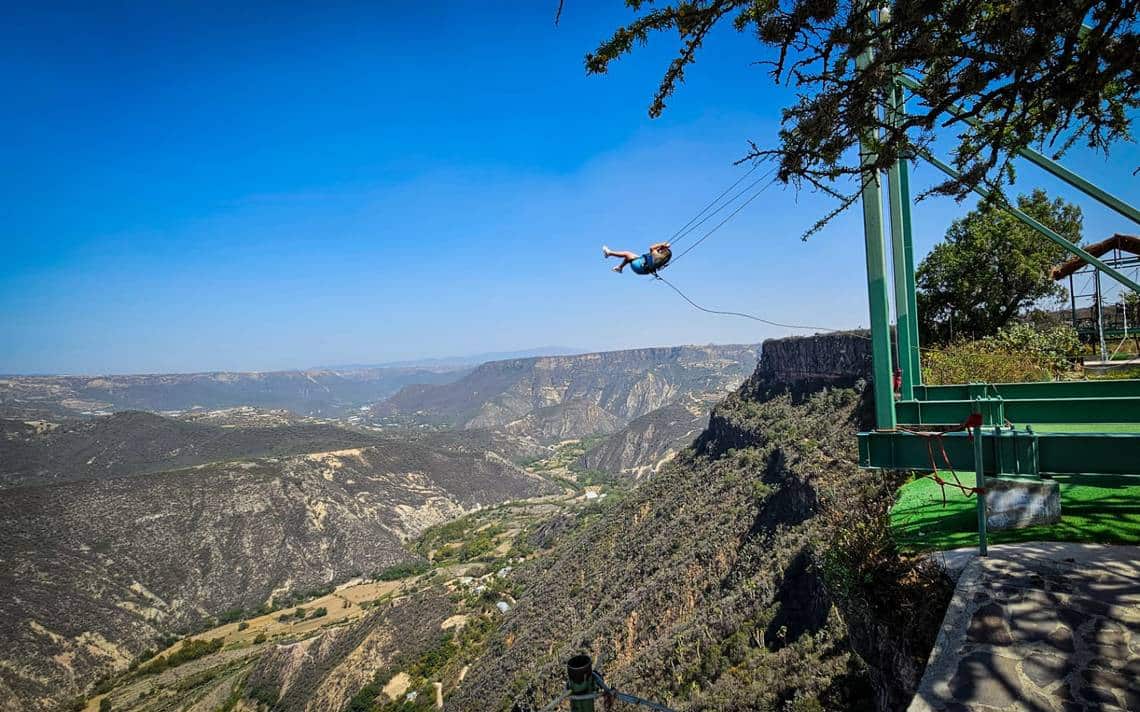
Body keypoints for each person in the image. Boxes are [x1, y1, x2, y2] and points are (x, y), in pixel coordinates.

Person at [602, 242, 672, 275]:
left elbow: (652, 247)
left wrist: (662, 244)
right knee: (631, 257)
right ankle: (620, 268)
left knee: (627, 254)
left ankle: (609, 253)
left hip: (638, 266)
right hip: (642, 271)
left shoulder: (656, 255)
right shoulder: (661, 262)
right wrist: (662, 248)